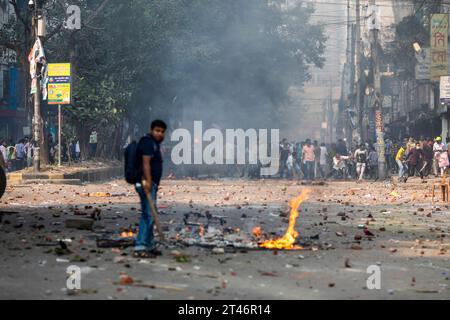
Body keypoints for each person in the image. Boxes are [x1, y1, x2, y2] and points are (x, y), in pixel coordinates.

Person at [133, 120, 167, 259]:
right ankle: (140, 246)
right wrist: (148, 181)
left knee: (151, 213)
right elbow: (146, 164)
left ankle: (150, 244)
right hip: (145, 183)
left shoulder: (154, 144)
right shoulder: (147, 142)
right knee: (148, 214)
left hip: (150, 184)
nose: (159, 133)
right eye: (157, 130)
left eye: (162, 131)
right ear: (151, 130)